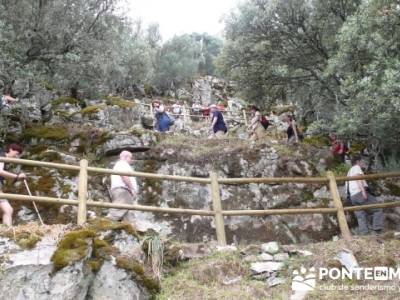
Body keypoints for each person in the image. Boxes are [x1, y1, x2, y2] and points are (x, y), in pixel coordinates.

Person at [346, 155, 384, 235]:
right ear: (358, 162)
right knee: (378, 208)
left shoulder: (349, 172)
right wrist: (363, 191)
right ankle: (377, 229)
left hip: (353, 196)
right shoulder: (356, 168)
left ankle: (364, 234)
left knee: (360, 214)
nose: (363, 163)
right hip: (359, 193)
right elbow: (358, 178)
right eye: (361, 161)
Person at [106, 151, 138, 221]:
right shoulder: (122, 164)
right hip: (124, 191)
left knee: (128, 216)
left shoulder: (119, 165)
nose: (131, 160)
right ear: (126, 157)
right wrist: (132, 188)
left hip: (123, 191)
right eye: (130, 158)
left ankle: (131, 228)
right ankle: (100, 225)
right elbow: (124, 176)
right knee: (116, 212)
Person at [0, 144, 26, 226]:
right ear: (10, 149)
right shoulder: (2, 155)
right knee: (7, 210)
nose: (16, 157)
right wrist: (17, 176)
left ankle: (5, 234)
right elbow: (0, 171)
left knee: (8, 210)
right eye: (16, 153)